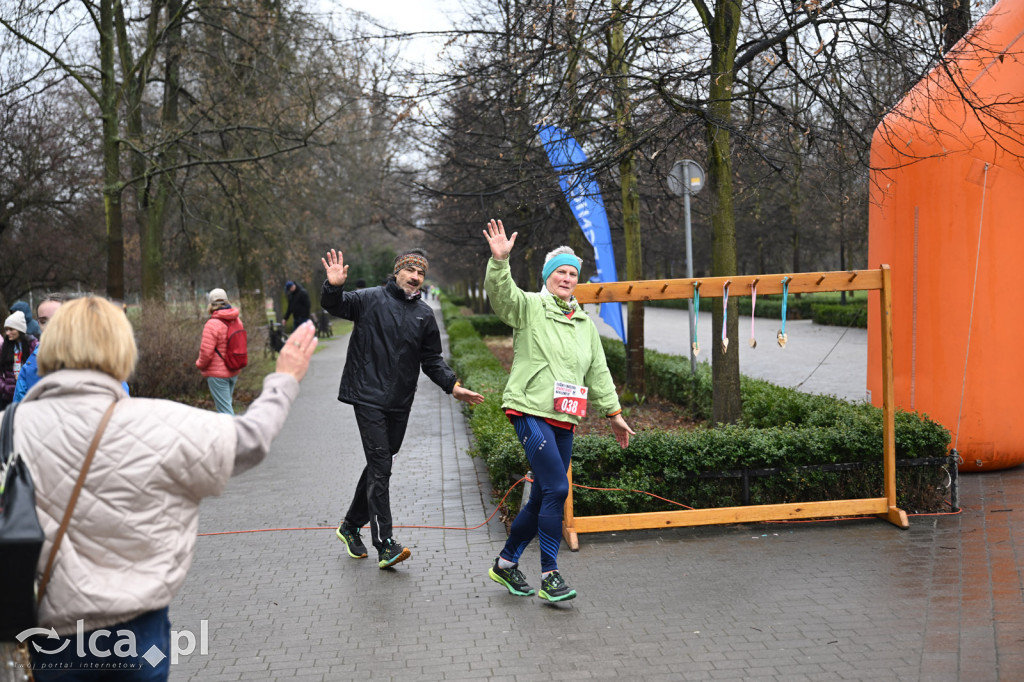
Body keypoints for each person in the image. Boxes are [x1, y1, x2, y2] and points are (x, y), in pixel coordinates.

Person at [6, 297, 317, 680]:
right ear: (121, 347)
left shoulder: (9, 428)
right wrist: (284, 379)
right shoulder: (159, 422)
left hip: (48, 632)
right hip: (139, 630)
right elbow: (251, 439)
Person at [482, 218, 634, 602]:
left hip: (566, 416)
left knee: (541, 496)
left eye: (572, 274)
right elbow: (503, 297)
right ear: (548, 275)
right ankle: (550, 574)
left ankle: (505, 564)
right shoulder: (530, 307)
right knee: (557, 488)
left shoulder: (584, 322)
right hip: (529, 410)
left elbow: (598, 370)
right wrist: (499, 262)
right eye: (560, 272)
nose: (567, 278)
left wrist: (613, 413)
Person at [320, 246, 485, 568]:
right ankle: (385, 544)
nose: (415, 276)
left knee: (379, 465)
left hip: (399, 401)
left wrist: (452, 386)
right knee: (381, 465)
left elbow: (432, 359)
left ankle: (350, 526)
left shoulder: (424, 314)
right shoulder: (369, 299)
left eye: (421, 272)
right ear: (397, 272)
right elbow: (335, 305)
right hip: (367, 396)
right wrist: (334, 286)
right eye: (410, 270)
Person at [195, 288, 243, 415]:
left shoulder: (212, 324)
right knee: (227, 406)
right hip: (234, 369)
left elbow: (206, 353)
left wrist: (199, 364)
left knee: (225, 412)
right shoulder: (237, 320)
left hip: (218, 375)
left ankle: (235, 429)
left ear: (211, 304)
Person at [12, 294, 64, 403]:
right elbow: (19, 407)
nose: (49, 326)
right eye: (43, 321)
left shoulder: (89, 360)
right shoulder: (30, 366)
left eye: (57, 319)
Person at [1, 310, 38, 408]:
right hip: (8, 397)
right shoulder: (4, 347)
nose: (7, 333)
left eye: (11, 329)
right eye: (6, 329)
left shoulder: (33, 345)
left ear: (20, 329)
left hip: (28, 394)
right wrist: (5, 388)